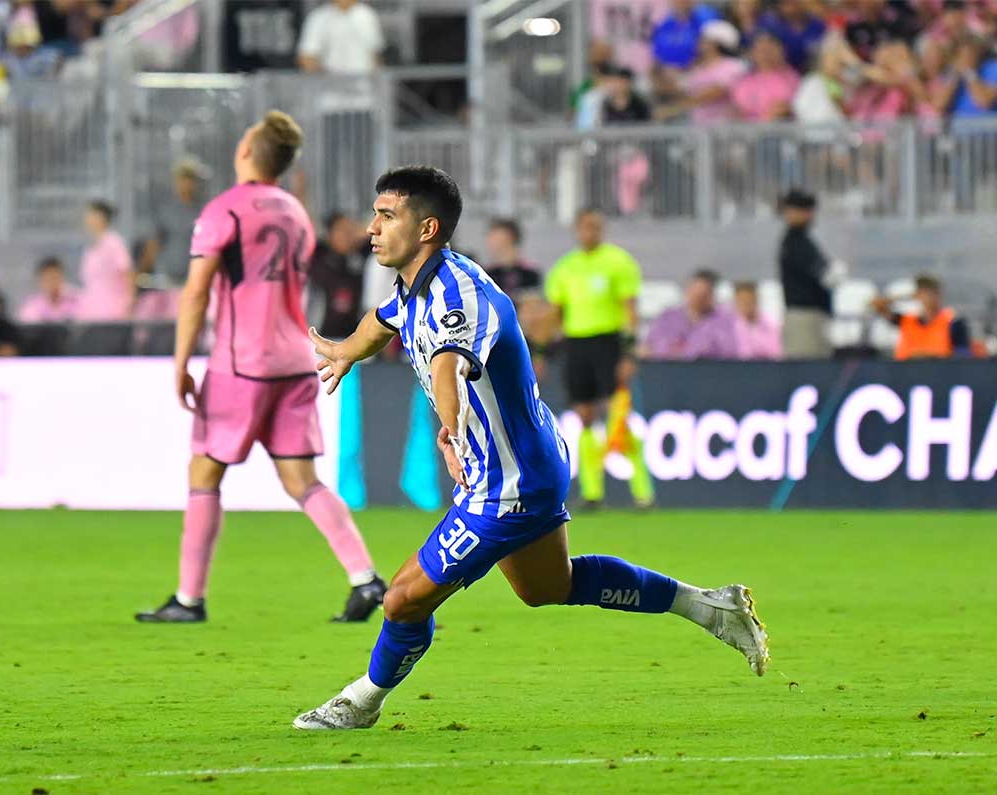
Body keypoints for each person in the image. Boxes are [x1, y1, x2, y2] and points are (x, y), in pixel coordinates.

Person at [293, 166, 768, 731]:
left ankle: (361, 701)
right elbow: (384, 320)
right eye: (374, 213)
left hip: (508, 482)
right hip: (529, 462)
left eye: (386, 215)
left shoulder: (456, 293)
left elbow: (447, 366)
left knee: (401, 600)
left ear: (427, 228)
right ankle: (711, 606)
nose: (372, 227)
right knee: (548, 587)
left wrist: (449, 431)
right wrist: (348, 350)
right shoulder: (418, 283)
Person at [135, 111, 386, 625]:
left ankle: (189, 598)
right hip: (295, 360)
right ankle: (365, 579)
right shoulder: (294, 212)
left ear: (248, 151)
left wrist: (182, 361)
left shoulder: (224, 209)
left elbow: (197, 290)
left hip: (241, 363)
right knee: (302, 479)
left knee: (204, 471)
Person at [544, 209, 652, 510]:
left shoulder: (618, 262)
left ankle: (642, 492)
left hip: (608, 343)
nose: (589, 232)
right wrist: (541, 351)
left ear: (601, 229)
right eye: (584, 227)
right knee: (585, 416)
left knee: (617, 415)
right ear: (577, 230)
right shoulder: (564, 269)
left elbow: (630, 309)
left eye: (595, 227)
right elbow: (556, 314)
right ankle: (592, 493)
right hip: (576, 344)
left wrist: (629, 351)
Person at [778, 189, 840, 358]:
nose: (809, 215)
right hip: (803, 318)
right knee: (806, 369)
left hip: (813, 317)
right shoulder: (795, 243)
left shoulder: (802, 241)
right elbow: (826, 276)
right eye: (803, 210)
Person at [655, 19, 747, 125]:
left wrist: (674, 109)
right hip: (698, 127)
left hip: (724, 127)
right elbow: (684, 90)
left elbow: (714, 93)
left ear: (715, 44)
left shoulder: (733, 66)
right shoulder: (698, 68)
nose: (700, 43)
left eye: (704, 40)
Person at [137, 159, 210, 286]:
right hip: (167, 277)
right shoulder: (166, 210)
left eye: (190, 179)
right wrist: (140, 271)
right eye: (182, 179)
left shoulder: (205, 211)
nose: (186, 184)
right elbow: (154, 244)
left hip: (195, 279)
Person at [871, 274, 973, 359]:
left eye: (931, 293)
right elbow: (877, 305)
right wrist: (906, 296)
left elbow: (963, 355)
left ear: (939, 295)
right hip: (906, 372)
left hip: (940, 373)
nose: (928, 297)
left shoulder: (953, 322)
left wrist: (928, 356)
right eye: (923, 293)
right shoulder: (907, 320)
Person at [646, 270, 740, 359]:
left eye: (704, 294)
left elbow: (728, 352)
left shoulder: (723, 321)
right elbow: (648, 346)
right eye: (696, 291)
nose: (698, 298)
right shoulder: (667, 317)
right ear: (688, 290)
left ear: (712, 295)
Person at [308, 212, 370, 339]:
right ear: (329, 234)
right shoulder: (317, 258)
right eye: (342, 231)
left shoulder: (360, 260)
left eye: (350, 231)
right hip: (319, 339)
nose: (348, 236)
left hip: (352, 341)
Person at [74, 200, 133, 321]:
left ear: (101, 217)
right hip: (92, 309)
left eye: (91, 215)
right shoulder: (91, 247)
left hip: (112, 310)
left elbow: (127, 272)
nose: (87, 219)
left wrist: (129, 303)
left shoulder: (113, 242)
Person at [296, 0, 384, 75]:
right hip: (330, 91)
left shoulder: (368, 15)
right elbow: (307, 58)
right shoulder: (318, 18)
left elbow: (375, 55)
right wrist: (328, 80)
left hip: (364, 88)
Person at [731, 31, 800, 122]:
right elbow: (737, 111)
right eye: (760, 50)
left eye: (769, 49)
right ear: (752, 53)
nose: (765, 54)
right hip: (747, 132)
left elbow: (783, 109)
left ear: (781, 50)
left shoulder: (791, 78)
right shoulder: (744, 81)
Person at [758, 0, 826, 72]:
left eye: (795, 2)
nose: (792, 7)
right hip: (782, 74)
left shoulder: (818, 24)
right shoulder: (771, 26)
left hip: (813, 72)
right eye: (787, 4)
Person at [482, 218, 541, 300]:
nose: (489, 242)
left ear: (509, 238)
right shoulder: (486, 275)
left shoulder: (530, 274)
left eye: (495, 237)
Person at [18, 256, 79, 322]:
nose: (52, 282)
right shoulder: (31, 306)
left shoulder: (76, 301)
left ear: (62, 278)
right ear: (40, 281)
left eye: (55, 277)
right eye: (48, 278)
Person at [732, 281, 782, 360]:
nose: (745, 303)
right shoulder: (728, 325)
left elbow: (775, 353)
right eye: (742, 300)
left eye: (749, 300)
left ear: (756, 300)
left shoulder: (769, 324)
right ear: (736, 301)